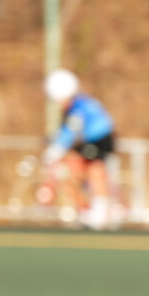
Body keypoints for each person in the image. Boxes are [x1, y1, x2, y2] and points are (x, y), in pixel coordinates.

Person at [42, 68, 114, 229]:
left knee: (92, 169)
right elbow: (68, 130)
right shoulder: (80, 102)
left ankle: (100, 210)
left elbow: (70, 130)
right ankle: (88, 208)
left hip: (99, 140)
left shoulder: (77, 107)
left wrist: (55, 149)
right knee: (73, 168)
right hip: (93, 139)